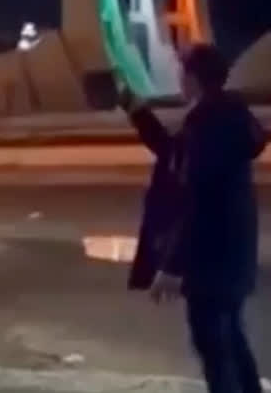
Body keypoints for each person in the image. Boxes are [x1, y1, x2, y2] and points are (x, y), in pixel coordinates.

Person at [122, 43, 268, 393]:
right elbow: (174, 152)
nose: (179, 78)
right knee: (230, 338)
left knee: (216, 349)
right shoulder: (224, 116)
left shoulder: (210, 124)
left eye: (182, 72)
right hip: (231, 254)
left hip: (212, 259)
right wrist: (137, 109)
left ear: (194, 77)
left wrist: (172, 267)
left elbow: (199, 200)